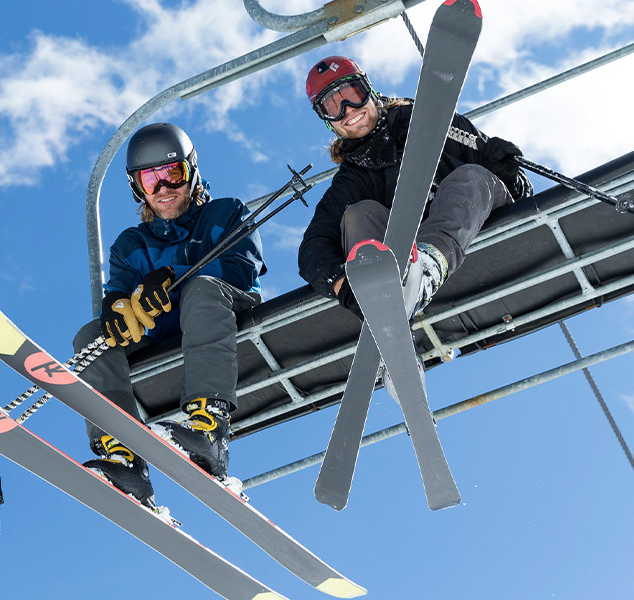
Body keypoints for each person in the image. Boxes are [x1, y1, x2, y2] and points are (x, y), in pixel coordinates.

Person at [74, 122, 265, 508]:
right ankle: (122, 455)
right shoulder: (131, 244)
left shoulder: (225, 213)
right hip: (162, 328)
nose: (163, 189)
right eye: (150, 179)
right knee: (91, 337)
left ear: (191, 172)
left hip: (222, 305)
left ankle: (208, 429)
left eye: (172, 174)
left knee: (201, 289)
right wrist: (114, 309)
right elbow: (118, 293)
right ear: (137, 188)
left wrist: (176, 277)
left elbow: (243, 267)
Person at [297, 55, 533, 321]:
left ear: (370, 90)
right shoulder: (353, 179)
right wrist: (344, 287)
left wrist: (509, 175)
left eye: (353, 94)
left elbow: (520, 194)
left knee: (470, 177)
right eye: (333, 106)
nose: (349, 110)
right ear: (327, 120)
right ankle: (385, 318)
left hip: (477, 232)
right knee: (358, 215)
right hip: (406, 270)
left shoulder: (434, 123)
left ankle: (427, 269)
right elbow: (313, 249)